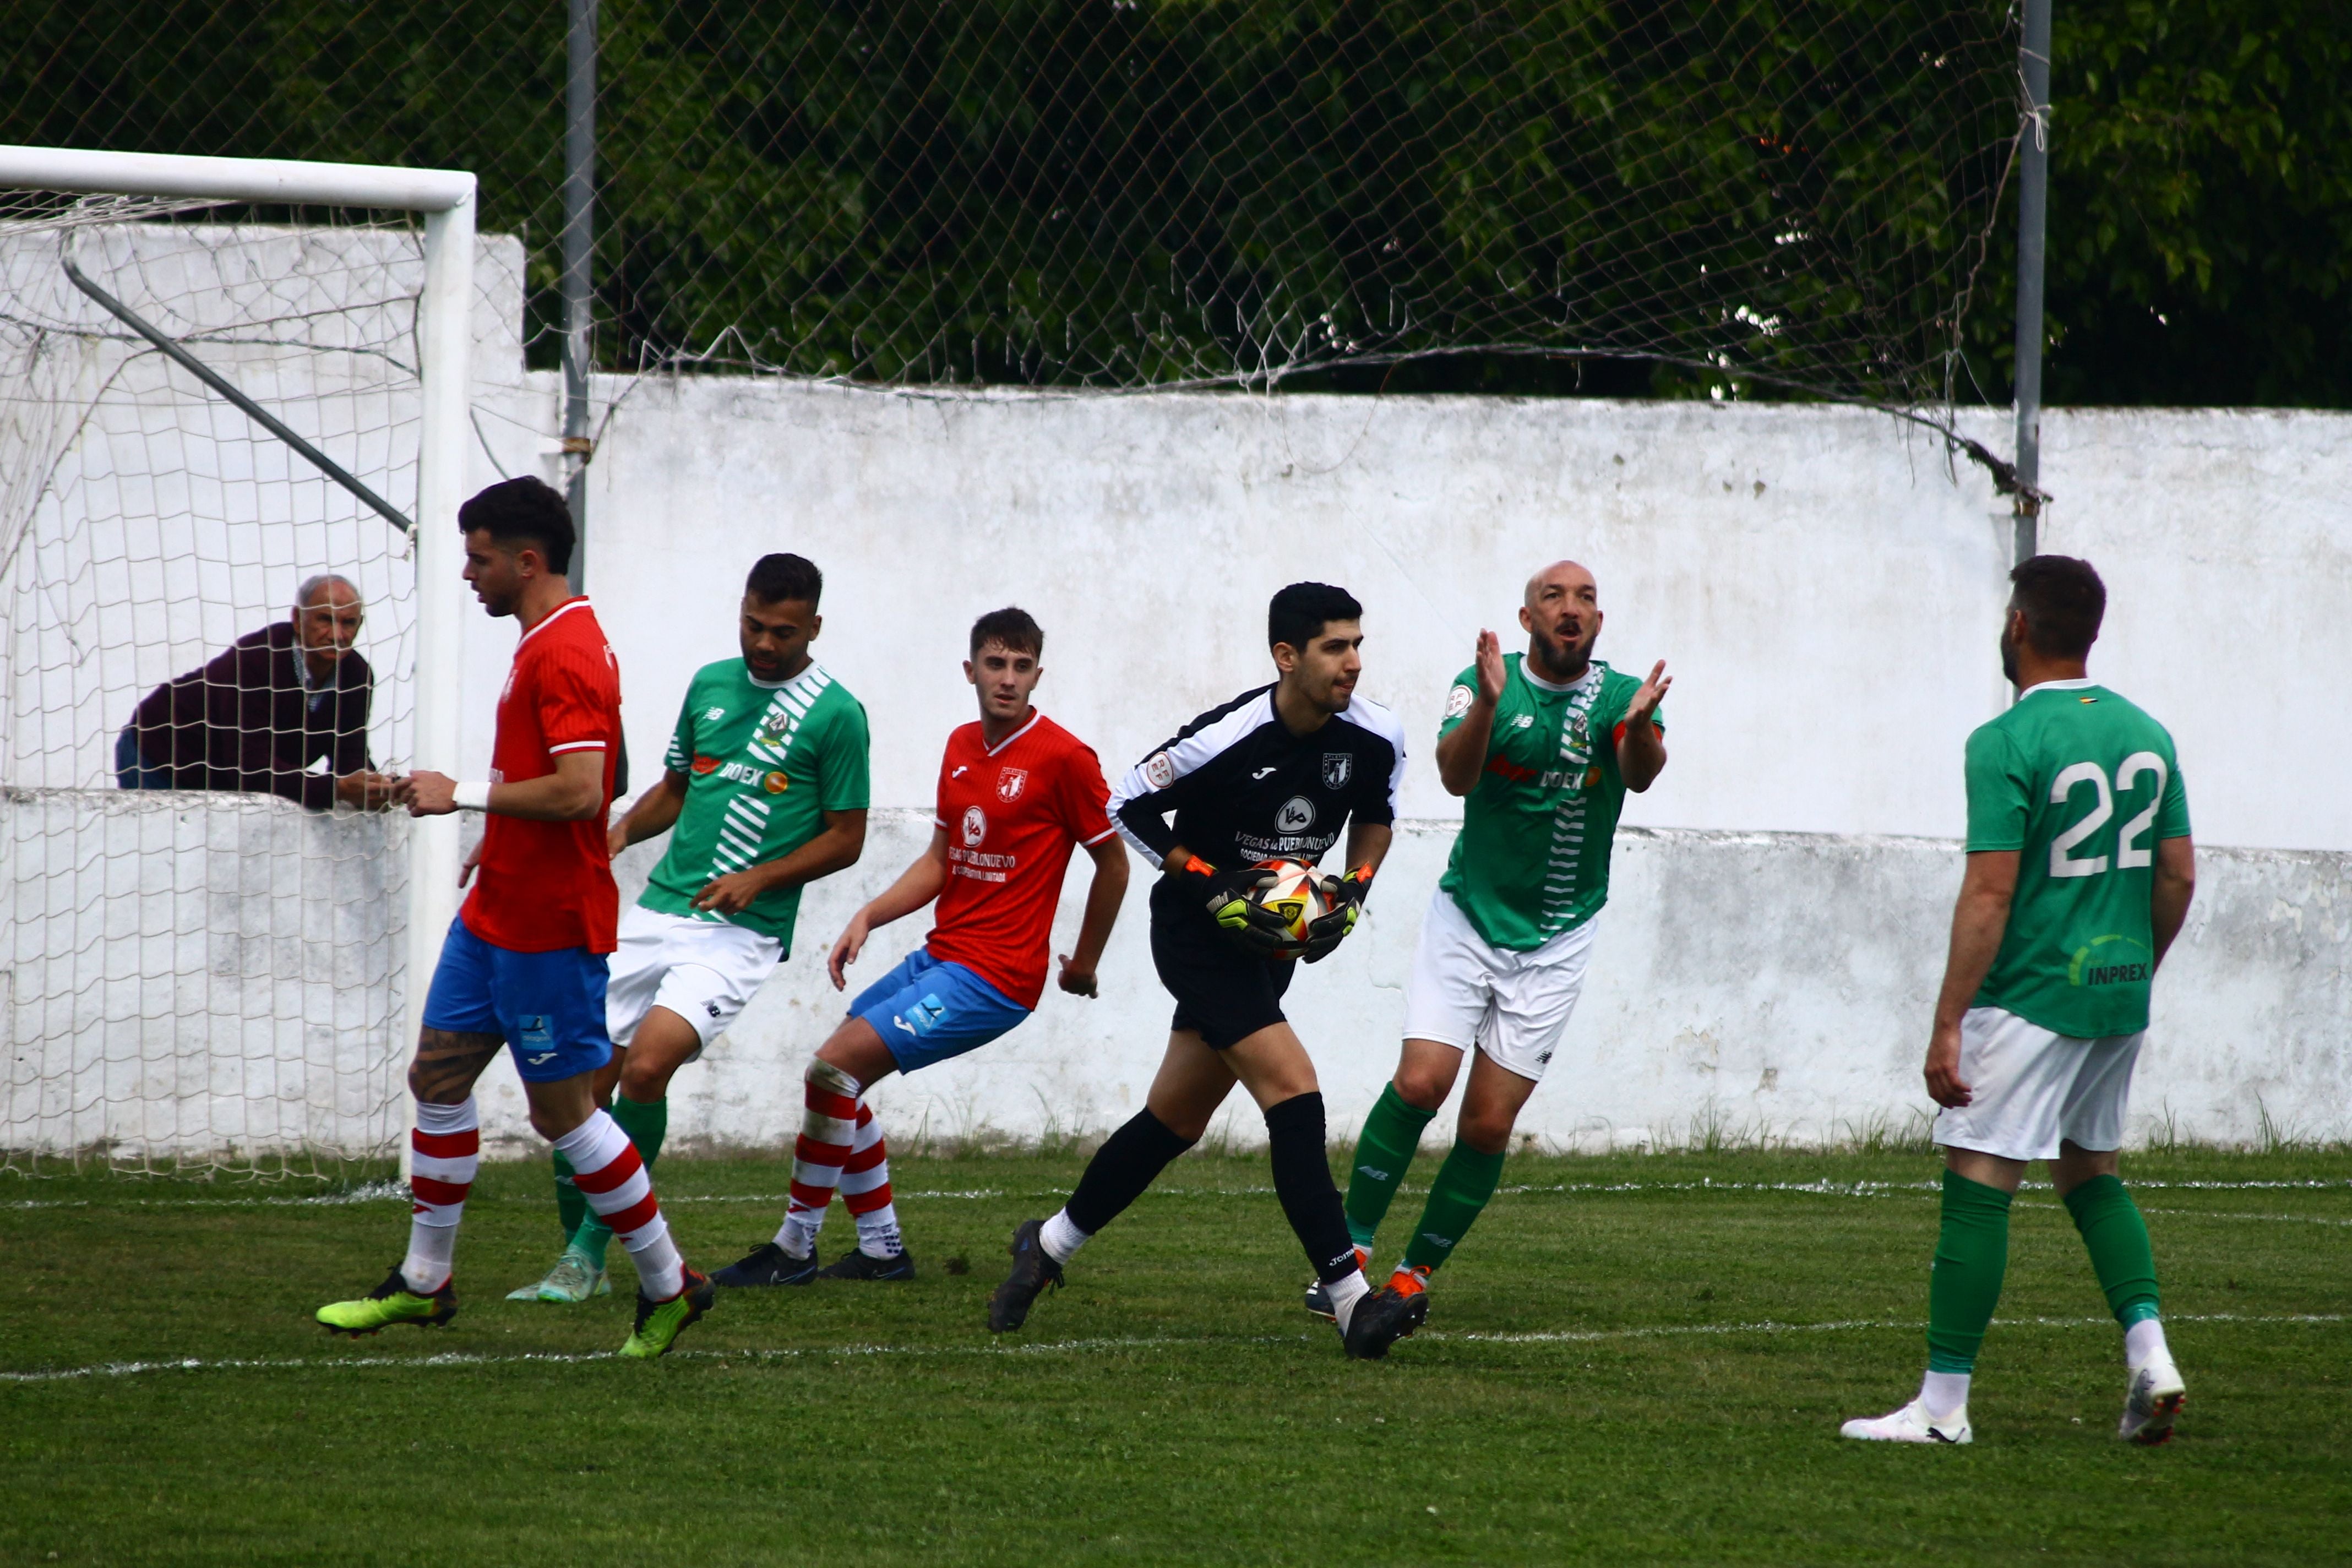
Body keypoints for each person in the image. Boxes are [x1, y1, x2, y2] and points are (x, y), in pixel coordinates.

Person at [315, 476, 714, 1359]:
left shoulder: (568, 650)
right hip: (496, 911)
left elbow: (583, 791)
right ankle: (426, 1283)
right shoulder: (544, 641)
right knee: (437, 1080)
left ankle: (669, 1280)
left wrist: (464, 797)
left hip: (549, 926)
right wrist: (497, 832)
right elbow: (598, 775)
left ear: (527, 561)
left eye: (480, 557)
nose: (469, 574)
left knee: (566, 1116)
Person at [987, 581, 1425, 1359]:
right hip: (1195, 935)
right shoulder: (1228, 736)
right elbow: (1126, 804)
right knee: (1293, 1090)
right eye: (1334, 647)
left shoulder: (1376, 736)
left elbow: (1376, 818)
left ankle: (1046, 1247)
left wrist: (1351, 895)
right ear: (1286, 657)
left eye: (1358, 644)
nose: (1353, 663)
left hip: (1269, 946)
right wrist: (1211, 884)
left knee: (1174, 1122)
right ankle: (1354, 1303)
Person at [1842, 554, 2195, 1446]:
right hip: (2116, 993)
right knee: (2088, 1172)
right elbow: (2177, 871)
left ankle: (1941, 1408)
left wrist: (1948, 1019)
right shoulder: (2147, 732)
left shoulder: (2002, 740)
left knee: (1977, 1184)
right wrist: (2135, 967)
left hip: (2032, 992)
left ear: (2018, 626)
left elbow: (1991, 892)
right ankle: (2150, 1353)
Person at [711, 607, 1129, 1286]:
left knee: (833, 1072)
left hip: (996, 979)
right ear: (971, 670)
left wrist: (1083, 963)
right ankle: (881, 1251)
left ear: (1038, 675)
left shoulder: (1065, 758)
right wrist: (869, 916)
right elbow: (942, 859)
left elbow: (1112, 863)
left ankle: (793, 1250)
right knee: (837, 1080)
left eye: (1022, 667)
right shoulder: (962, 744)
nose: (1008, 678)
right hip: (943, 956)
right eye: (995, 663)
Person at [506, 552, 871, 1303]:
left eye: (784, 632)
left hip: (742, 930)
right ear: (740, 610)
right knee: (578, 1087)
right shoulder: (708, 684)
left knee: (646, 1069)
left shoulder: (836, 713)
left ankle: (584, 1256)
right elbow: (677, 788)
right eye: (754, 626)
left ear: (814, 628)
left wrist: (759, 879)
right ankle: (588, 1260)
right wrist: (616, 833)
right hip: (658, 911)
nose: (766, 645)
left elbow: (847, 838)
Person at [1318, 560, 1668, 1319]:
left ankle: (1414, 1277)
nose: (1571, 609)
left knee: (1486, 1122)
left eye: (1585, 600)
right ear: (1527, 618)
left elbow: (1641, 776)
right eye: (1554, 597)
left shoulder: (1621, 697)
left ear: (1598, 624)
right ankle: (1347, 1254)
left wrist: (1638, 729)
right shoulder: (1482, 680)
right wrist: (1487, 708)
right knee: (1421, 1084)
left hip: (1558, 938)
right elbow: (1453, 776)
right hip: (1469, 917)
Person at [117, 573, 403, 809]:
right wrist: (337, 789)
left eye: (348, 622)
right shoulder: (256, 659)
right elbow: (250, 770)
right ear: (297, 619)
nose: (337, 635)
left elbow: (349, 755)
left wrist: (377, 789)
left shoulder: (357, 675)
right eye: (325, 620)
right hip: (159, 754)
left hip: (225, 774)